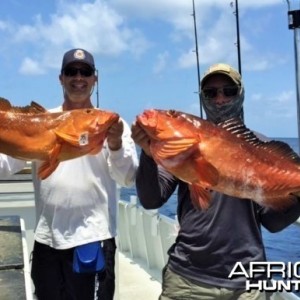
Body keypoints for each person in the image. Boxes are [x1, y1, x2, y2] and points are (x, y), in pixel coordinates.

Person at [131, 63, 300, 300]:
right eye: (211, 93)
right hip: (187, 280)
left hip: (247, 285)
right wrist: (147, 155)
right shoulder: (175, 153)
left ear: (240, 94)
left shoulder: (261, 147)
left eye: (228, 91)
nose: (220, 99)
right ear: (202, 99)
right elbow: (150, 200)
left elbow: (272, 222)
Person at [0, 48, 138, 300]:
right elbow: (5, 164)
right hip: (47, 239)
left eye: (85, 72)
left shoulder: (111, 125)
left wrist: (116, 145)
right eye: (71, 71)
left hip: (92, 239)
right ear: (61, 78)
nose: (78, 78)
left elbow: (127, 177)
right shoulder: (42, 122)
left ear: (95, 79)